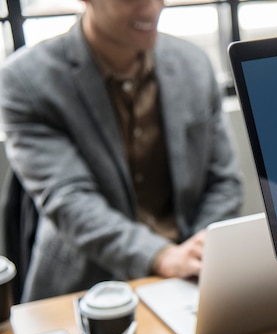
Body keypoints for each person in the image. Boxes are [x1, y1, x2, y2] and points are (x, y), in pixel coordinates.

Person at [0, 0, 242, 302]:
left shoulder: (193, 64)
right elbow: (69, 199)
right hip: (86, 288)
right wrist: (161, 256)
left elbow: (224, 181)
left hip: (190, 277)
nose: (151, 8)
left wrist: (201, 248)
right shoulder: (26, 81)